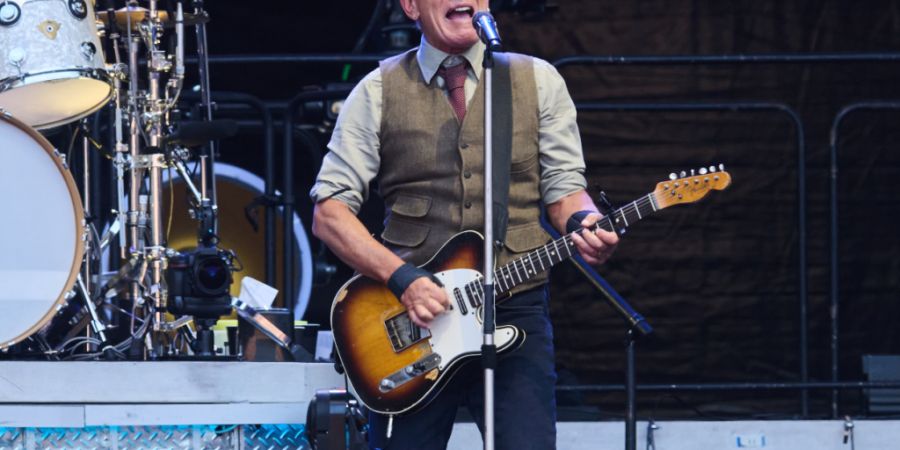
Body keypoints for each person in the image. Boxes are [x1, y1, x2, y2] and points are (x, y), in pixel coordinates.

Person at [310, 1, 619, 448]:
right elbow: (330, 211)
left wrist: (584, 220)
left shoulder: (537, 80)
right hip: (413, 315)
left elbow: (566, 188)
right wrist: (402, 278)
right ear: (412, 6)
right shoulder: (378, 90)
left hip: (515, 305)